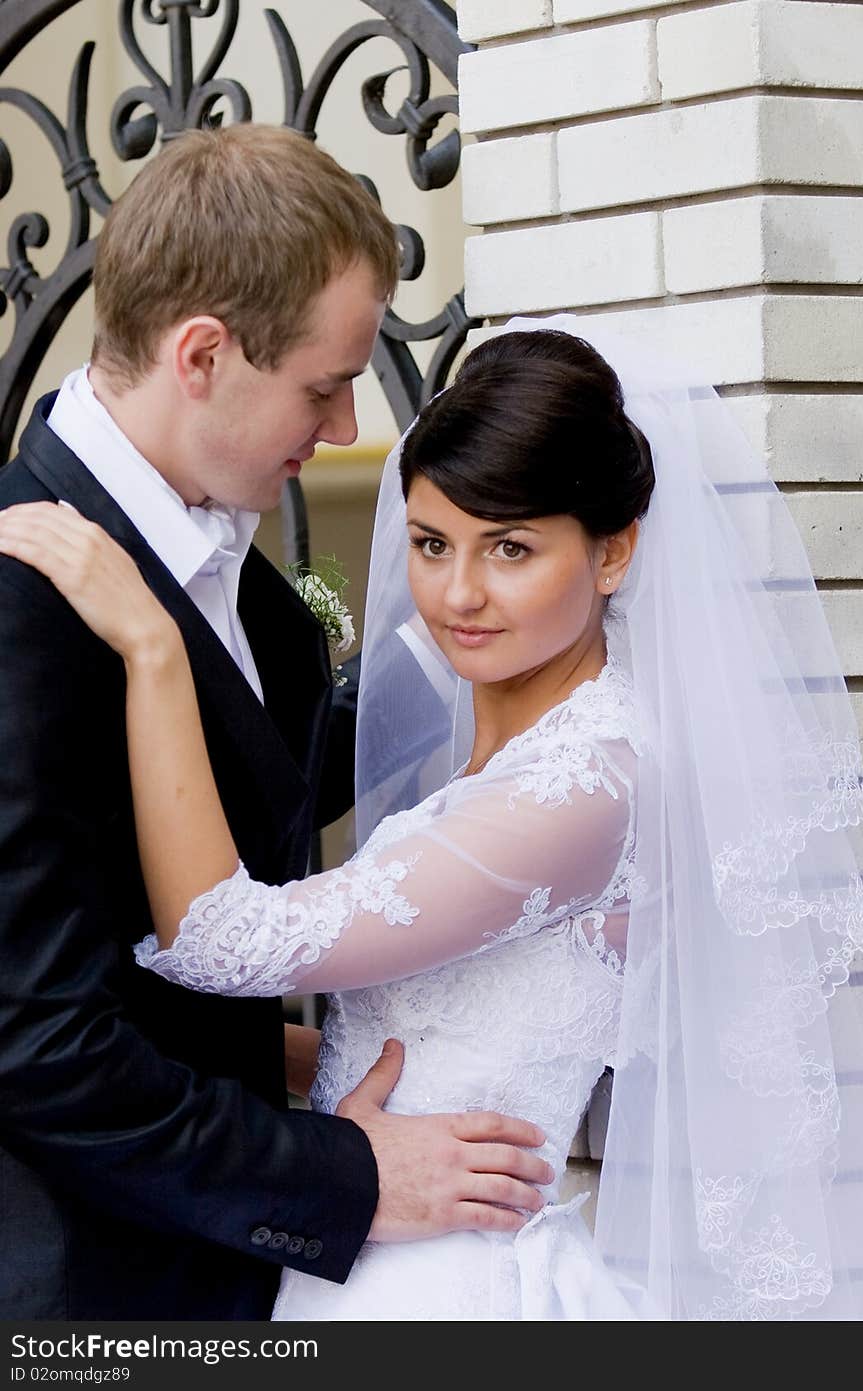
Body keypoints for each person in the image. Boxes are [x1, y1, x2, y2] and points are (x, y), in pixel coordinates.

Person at [3, 317, 863, 1320]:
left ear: (612, 553)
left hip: (445, 1279)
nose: (458, 593)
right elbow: (419, 1022)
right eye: (430, 542)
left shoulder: (586, 787)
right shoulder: (505, 753)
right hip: (371, 1246)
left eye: (509, 547)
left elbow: (223, 936)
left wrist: (152, 642)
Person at [0, 126, 551, 1322]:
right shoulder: (18, 593)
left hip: (248, 1280)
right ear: (202, 353)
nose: (349, 426)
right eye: (321, 382)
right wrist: (344, 1177)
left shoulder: (252, 591)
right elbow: (33, 1045)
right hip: (86, 1298)